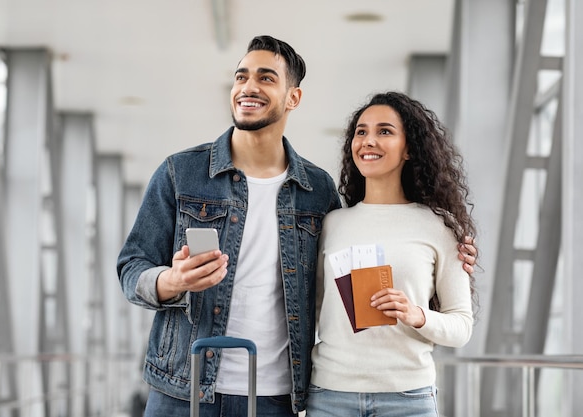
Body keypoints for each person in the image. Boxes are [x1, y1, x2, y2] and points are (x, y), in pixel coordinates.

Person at [116, 36, 477, 417]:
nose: (248, 87)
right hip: (183, 388)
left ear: (293, 98)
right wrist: (172, 282)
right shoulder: (181, 173)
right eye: (241, 77)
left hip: (275, 396)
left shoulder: (317, 192)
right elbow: (131, 267)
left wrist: (451, 261)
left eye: (266, 78)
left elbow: (360, 257)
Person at [307, 91, 479, 417]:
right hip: (330, 396)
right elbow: (313, 313)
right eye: (361, 131)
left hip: (408, 399)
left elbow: (461, 327)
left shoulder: (441, 227)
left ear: (409, 149)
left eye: (384, 131)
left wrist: (418, 315)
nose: (369, 141)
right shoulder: (332, 224)